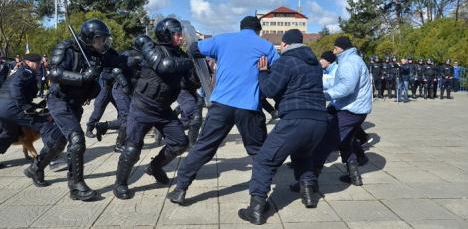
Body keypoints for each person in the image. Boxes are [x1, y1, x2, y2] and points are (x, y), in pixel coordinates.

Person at [167, 16, 279, 205]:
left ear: (240, 27)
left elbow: (194, 49)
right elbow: (277, 71)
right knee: (258, 152)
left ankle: (180, 189)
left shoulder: (223, 39)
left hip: (222, 104)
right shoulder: (266, 47)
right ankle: (259, 200)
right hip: (249, 107)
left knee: (204, 147)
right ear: (258, 30)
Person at [238, 29, 327, 225]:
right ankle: (308, 192)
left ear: (285, 44)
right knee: (303, 154)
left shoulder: (286, 61)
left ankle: (256, 208)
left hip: (296, 119)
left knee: (264, 160)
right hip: (320, 120)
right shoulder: (315, 65)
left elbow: (270, 89)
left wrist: (263, 72)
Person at [113, 18, 196, 200]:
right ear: (166, 34)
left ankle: (155, 167)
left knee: (180, 142)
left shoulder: (182, 56)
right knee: (133, 148)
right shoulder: (153, 51)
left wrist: (198, 68)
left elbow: (191, 83)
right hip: (142, 106)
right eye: (176, 34)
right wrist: (189, 63)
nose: (180, 38)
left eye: (181, 34)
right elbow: (164, 66)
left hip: (163, 109)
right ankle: (120, 183)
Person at [47, 18, 116, 201]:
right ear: (90, 37)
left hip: (75, 104)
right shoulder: (67, 48)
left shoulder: (97, 53)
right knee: (77, 140)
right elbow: (54, 73)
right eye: (100, 39)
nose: (103, 43)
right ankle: (76, 186)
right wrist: (82, 77)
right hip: (59, 101)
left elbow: (120, 60)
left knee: (58, 144)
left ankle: (35, 168)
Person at [312, 37, 372, 187]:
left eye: (335, 49)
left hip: (349, 110)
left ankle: (308, 181)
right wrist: (317, 82)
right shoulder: (352, 60)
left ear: (340, 49)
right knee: (346, 142)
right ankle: (354, 175)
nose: (333, 51)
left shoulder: (349, 62)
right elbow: (338, 81)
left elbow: (346, 87)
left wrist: (325, 95)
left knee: (325, 143)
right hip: (356, 110)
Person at [0, 53, 66, 183]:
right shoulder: (26, 71)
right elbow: (15, 87)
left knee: (9, 134)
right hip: (13, 108)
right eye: (38, 62)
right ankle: (54, 159)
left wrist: (34, 105)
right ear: (29, 62)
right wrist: (24, 105)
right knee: (45, 125)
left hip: (3, 109)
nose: (39, 65)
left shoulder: (22, 71)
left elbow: (19, 91)